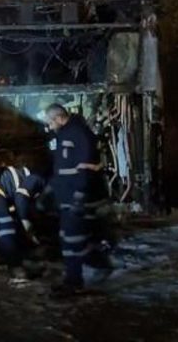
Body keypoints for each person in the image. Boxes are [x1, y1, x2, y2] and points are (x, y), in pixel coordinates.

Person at [46, 103, 108, 295]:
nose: (49, 126)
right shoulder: (65, 134)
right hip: (66, 198)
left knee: (72, 239)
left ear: (58, 118)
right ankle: (83, 272)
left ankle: (75, 280)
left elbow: (85, 168)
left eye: (50, 121)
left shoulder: (77, 134)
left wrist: (78, 196)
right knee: (69, 238)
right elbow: (62, 170)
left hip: (74, 197)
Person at [0, 161, 46, 284]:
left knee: (7, 228)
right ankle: (16, 271)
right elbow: (20, 197)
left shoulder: (36, 178)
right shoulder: (39, 180)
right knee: (5, 229)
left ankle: (6, 258)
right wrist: (26, 224)